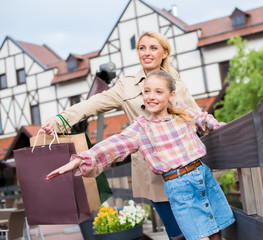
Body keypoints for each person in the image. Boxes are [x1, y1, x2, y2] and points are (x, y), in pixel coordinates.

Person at [41, 31, 200, 240]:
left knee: (202, 230)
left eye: (153, 48)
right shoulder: (126, 86)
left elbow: (196, 120)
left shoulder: (178, 85)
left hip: (186, 168)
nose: (147, 53)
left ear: (165, 52)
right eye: (142, 48)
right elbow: (92, 104)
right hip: (153, 171)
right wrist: (59, 120)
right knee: (177, 234)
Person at [47, 70, 235, 240]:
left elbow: (205, 120)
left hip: (203, 176)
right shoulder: (141, 128)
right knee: (200, 236)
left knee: (216, 233)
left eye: (158, 92)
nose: (151, 97)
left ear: (172, 95)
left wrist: (224, 128)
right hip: (180, 187)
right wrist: (80, 160)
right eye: (147, 91)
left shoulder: (183, 113)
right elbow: (112, 146)